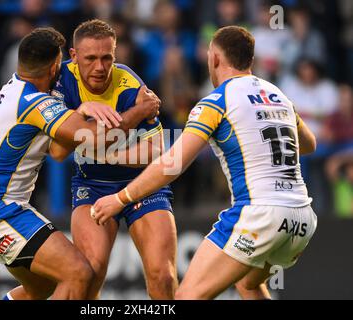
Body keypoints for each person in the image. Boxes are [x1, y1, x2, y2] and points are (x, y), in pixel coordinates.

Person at [92, 26, 318, 300]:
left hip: (260, 214)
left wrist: (121, 198)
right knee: (248, 284)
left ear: (215, 59)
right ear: (251, 61)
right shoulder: (279, 96)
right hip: (302, 219)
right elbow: (309, 145)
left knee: (187, 297)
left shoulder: (216, 102)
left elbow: (172, 164)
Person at [0, 27, 160, 300]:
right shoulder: (35, 103)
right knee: (78, 273)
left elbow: (58, 148)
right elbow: (91, 136)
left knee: (43, 288)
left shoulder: (15, 89)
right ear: (56, 65)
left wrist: (78, 110)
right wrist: (139, 111)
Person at [45, 19, 177, 300]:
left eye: (107, 58)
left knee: (162, 276)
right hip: (93, 185)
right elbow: (56, 153)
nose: (100, 67)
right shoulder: (62, 82)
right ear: (73, 56)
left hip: (142, 185)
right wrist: (81, 110)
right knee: (89, 271)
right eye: (90, 58)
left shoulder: (131, 85)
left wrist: (97, 150)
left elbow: (156, 151)